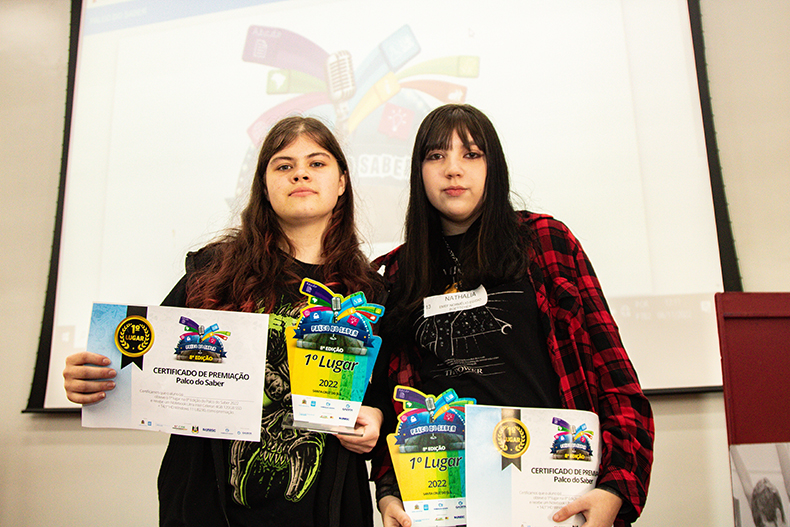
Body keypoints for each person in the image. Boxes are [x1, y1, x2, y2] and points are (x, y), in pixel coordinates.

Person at [63, 116, 385, 527]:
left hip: (324, 509)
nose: (300, 173)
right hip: (208, 509)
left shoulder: (371, 293)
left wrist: (375, 419)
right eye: (283, 165)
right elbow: (145, 367)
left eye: (317, 163)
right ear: (264, 186)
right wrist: (93, 377)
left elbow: (383, 395)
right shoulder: (214, 271)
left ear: (341, 182)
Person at [365, 104, 655, 527]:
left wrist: (615, 488)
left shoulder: (546, 241)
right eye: (436, 156)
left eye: (471, 154)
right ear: (418, 172)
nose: (452, 169)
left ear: (494, 167)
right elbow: (394, 404)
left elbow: (614, 377)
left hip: (553, 499)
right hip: (443, 502)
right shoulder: (400, 272)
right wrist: (389, 492)